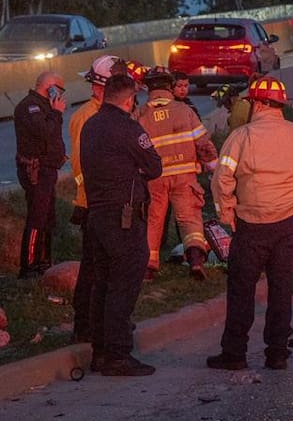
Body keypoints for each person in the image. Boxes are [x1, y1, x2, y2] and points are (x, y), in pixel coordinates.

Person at [207, 76, 293, 372]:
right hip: (289, 225)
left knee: (241, 291)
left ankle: (234, 354)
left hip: (250, 225)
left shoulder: (241, 137)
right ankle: (277, 354)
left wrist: (227, 214)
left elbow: (221, 180)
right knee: (282, 290)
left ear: (257, 103)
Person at [79, 73, 163, 376]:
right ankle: (118, 355)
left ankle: (100, 352)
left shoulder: (90, 126)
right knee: (123, 286)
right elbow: (154, 167)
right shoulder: (128, 128)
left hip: (98, 215)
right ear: (129, 100)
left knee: (101, 285)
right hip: (124, 218)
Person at [134, 67, 219, 280]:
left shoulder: (139, 114)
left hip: (154, 179)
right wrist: (213, 168)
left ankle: (149, 266)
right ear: (169, 86)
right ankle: (196, 261)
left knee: (153, 220)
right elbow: (203, 145)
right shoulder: (184, 111)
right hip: (185, 177)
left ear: (148, 88)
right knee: (189, 219)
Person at [69, 55, 128, 342]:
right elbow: (81, 167)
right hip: (93, 205)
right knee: (92, 270)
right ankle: (84, 327)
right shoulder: (86, 118)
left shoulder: (111, 114)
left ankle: (103, 325)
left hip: (108, 204)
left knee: (107, 270)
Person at [13, 71, 68, 278]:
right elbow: (44, 131)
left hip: (48, 170)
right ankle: (29, 267)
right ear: (50, 87)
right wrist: (57, 112)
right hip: (36, 171)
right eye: (59, 89)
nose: (61, 94)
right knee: (37, 218)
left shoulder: (45, 106)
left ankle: (44, 262)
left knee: (47, 217)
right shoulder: (30, 106)